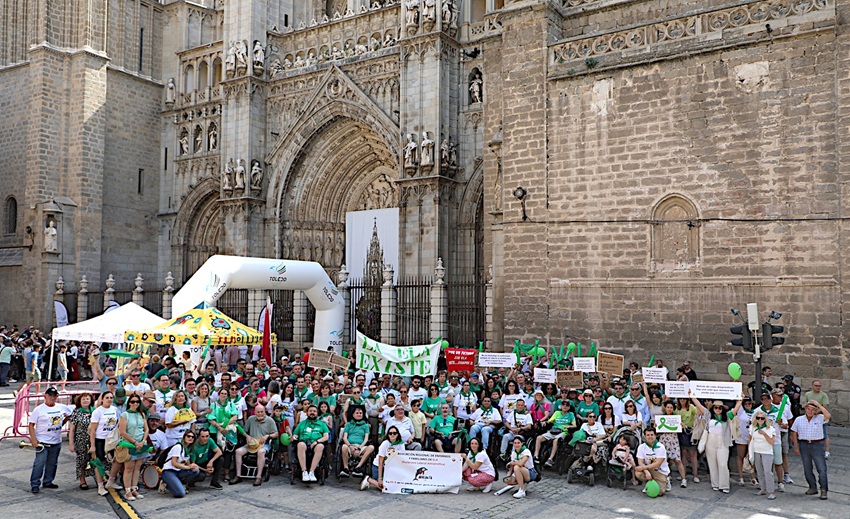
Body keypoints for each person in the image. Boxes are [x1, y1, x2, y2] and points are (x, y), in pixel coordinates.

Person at [691, 396, 742, 493]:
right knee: (712, 463)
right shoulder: (708, 415)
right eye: (715, 407)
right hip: (710, 440)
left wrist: (739, 400)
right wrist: (693, 396)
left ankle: (724, 485)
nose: (717, 409)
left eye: (720, 408)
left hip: (723, 441)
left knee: (722, 464)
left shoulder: (727, 416)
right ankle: (715, 484)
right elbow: (698, 405)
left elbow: (735, 410)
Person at [28, 387, 72, 493]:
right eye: (50, 395)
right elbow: (31, 425)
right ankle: (35, 483)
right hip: (42, 441)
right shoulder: (39, 409)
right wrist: (34, 439)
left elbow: (70, 415)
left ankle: (48, 481)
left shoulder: (62, 407)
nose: (52, 398)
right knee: (39, 463)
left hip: (56, 440)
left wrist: (62, 424)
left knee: (52, 463)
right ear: (45, 396)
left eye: (54, 396)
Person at [790, 400, 831, 500]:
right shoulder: (799, 419)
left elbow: (828, 415)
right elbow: (794, 433)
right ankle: (812, 487)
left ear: (816, 410)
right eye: (808, 409)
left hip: (817, 444)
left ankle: (824, 489)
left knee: (821, 468)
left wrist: (818, 405)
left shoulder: (820, 418)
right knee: (807, 468)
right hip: (804, 444)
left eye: (813, 409)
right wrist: (796, 446)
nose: (810, 411)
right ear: (805, 409)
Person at [232, 404, 278, 486]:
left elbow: (276, 434)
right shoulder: (251, 419)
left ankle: (258, 476)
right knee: (238, 451)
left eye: (262, 412)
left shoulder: (270, 420)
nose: (260, 414)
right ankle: (238, 475)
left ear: (265, 411)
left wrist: (268, 435)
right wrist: (247, 436)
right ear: (255, 412)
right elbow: (244, 431)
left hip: (264, 444)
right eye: (258, 412)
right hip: (252, 443)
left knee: (261, 452)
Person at [89, 391, 122, 495]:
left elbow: (118, 424)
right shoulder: (97, 412)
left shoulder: (115, 410)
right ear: (102, 399)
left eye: (111, 397)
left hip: (112, 440)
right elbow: (93, 430)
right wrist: (93, 445)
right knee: (100, 463)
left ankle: (111, 481)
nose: (109, 399)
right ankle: (100, 486)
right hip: (100, 439)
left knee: (116, 460)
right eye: (107, 397)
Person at [118, 394, 149, 501]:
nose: (135, 403)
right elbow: (122, 431)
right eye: (133, 401)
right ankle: (127, 491)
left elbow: (146, 429)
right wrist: (135, 442)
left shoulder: (142, 414)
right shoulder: (124, 415)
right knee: (129, 468)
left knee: (137, 467)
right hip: (130, 444)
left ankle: (134, 488)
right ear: (129, 403)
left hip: (141, 443)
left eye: (137, 401)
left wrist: (143, 441)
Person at [292, 404, 330, 482]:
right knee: (300, 444)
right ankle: (304, 472)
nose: (312, 413)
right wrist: (294, 437)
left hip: (316, 443)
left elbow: (326, 437)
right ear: (307, 413)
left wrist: (316, 442)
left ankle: (312, 472)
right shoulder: (302, 423)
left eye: (314, 411)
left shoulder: (322, 424)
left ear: (317, 413)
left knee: (320, 447)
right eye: (310, 411)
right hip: (304, 443)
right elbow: (295, 434)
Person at [361, 426, 405, 491]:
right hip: (379, 466)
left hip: (391, 467)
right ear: (388, 435)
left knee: (394, 486)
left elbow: (401, 458)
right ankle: (369, 480)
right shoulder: (385, 444)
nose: (392, 435)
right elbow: (380, 461)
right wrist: (380, 478)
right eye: (390, 433)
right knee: (385, 488)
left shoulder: (401, 444)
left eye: (394, 433)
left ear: (397, 434)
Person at [534, 400, 575, 467]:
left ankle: (550, 459)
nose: (565, 406)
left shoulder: (571, 414)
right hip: (553, 430)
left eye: (567, 405)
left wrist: (569, 426)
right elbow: (549, 421)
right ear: (561, 406)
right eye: (563, 405)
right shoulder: (557, 413)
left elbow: (574, 425)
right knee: (539, 438)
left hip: (563, 432)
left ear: (569, 407)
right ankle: (536, 456)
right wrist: (544, 422)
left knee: (556, 440)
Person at [67, 392, 96, 490]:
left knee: (95, 459)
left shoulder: (95, 411)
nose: (85, 401)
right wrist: (71, 444)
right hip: (81, 440)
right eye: (83, 399)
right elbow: (71, 430)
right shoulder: (77, 413)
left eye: (87, 399)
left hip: (93, 439)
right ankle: (82, 480)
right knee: (82, 460)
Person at [160, 430, 201, 498]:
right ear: (184, 437)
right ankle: (166, 483)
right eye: (188, 436)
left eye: (193, 437)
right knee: (180, 494)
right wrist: (188, 467)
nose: (190, 438)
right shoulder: (178, 447)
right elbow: (174, 463)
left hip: (178, 471)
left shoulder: (188, 449)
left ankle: (181, 484)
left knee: (195, 471)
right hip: (169, 471)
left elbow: (187, 463)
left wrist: (192, 466)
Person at [657, 400, 687, 488]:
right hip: (664, 440)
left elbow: (680, 430)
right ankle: (668, 477)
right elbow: (657, 430)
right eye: (668, 407)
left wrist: (682, 426)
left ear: (673, 408)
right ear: (665, 408)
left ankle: (683, 479)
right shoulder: (661, 418)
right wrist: (656, 426)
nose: (669, 409)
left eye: (671, 407)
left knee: (678, 460)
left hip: (673, 440)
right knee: (665, 460)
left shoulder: (676, 418)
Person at [748, 409, 776, 500]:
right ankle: (763, 488)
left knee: (768, 472)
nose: (760, 420)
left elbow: (772, 442)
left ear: (765, 419)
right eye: (758, 418)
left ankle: (771, 491)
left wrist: (764, 434)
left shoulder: (770, 429)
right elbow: (751, 439)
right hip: (756, 451)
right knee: (759, 471)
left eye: (762, 418)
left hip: (767, 452)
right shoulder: (753, 427)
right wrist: (749, 451)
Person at [340, 407, 374, 478]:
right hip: (350, 445)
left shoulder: (366, 426)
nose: (359, 414)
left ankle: (358, 467)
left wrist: (359, 448)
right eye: (357, 413)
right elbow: (345, 438)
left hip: (361, 446)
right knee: (344, 446)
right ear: (353, 415)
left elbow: (366, 439)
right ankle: (346, 468)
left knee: (371, 447)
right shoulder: (348, 424)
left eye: (360, 413)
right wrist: (350, 446)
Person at [634, 428, 669, 496]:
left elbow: (658, 463)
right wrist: (646, 472)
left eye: (652, 435)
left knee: (659, 493)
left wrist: (643, 468)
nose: (650, 437)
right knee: (638, 473)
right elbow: (640, 462)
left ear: (655, 436)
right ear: (645, 436)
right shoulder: (641, 447)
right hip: (649, 469)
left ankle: (666, 481)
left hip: (660, 471)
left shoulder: (661, 447)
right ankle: (648, 483)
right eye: (648, 435)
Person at [804, 380, 830, 459]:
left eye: (819, 386)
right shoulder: (808, 394)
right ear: (812, 386)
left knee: (824, 434)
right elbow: (805, 404)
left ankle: (827, 451)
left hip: (820, 417)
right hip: (809, 417)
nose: (818, 387)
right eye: (816, 386)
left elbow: (825, 406)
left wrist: (815, 412)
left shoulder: (823, 395)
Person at [735, 397, 756, 486]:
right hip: (742, 437)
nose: (747, 405)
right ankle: (741, 477)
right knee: (740, 456)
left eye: (749, 404)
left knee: (751, 457)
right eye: (746, 404)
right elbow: (737, 401)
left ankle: (752, 477)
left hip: (752, 437)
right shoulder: (741, 412)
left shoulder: (755, 412)